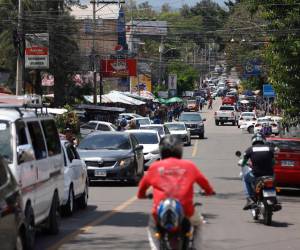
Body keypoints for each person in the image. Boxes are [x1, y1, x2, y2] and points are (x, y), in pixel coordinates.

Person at [137, 135, 215, 249]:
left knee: (152, 227)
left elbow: (141, 190)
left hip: (159, 210)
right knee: (199, 224)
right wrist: (209, 192)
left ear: (162, 150)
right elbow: (205, 184)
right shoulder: (189, 166)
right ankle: (196, 247)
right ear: (180, 151)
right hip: (186, 209)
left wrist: (143, 195)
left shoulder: (155, 167)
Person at [241, 133, 275, 210]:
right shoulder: (269, 149)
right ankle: (275, 199)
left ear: (253, 140)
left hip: (256, 174)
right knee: (273, 182)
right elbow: (274, 162)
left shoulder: (250, 149)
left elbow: (243, 162)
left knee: (246, 179)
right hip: (269, 174)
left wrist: (243, 164)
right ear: (263, 140)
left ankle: (250, 199)